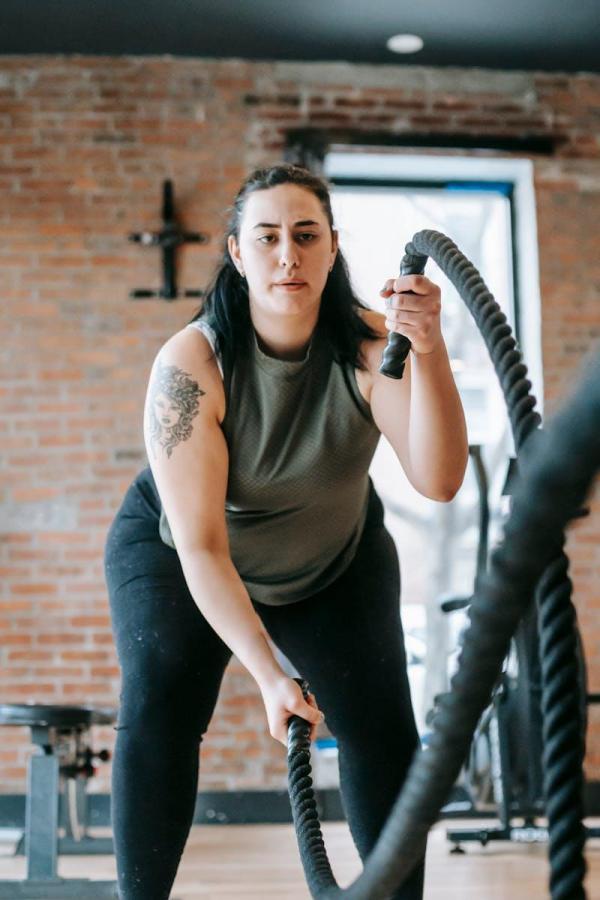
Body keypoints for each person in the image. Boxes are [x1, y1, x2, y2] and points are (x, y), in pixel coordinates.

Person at [104, 163, 468, 900]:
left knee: (384, 733)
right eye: (267, 237)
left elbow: (439, 478)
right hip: (183, 553)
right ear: (237, 252)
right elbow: (203, 546)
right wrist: (269, 675)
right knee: (158, 705)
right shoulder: (192, 364)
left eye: (306, 236)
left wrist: (429, 352)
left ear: (333, 248)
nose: (287, 256)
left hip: (332, 557)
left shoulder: (374, 346)